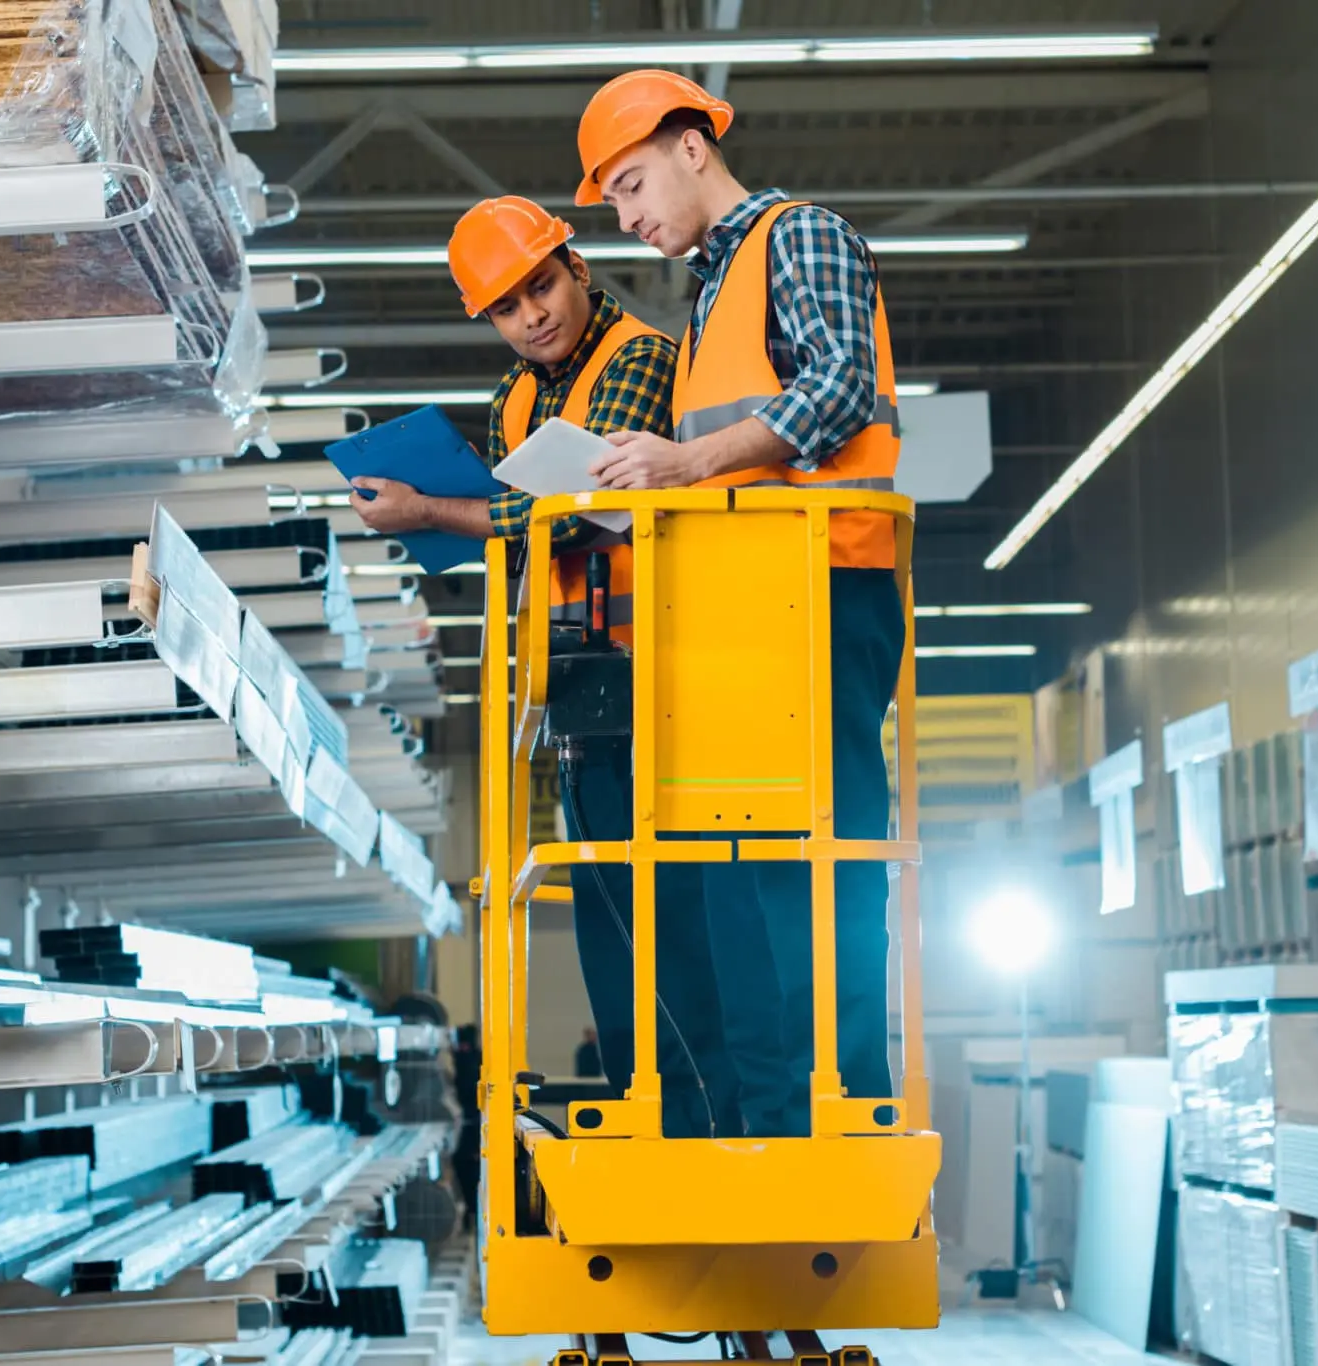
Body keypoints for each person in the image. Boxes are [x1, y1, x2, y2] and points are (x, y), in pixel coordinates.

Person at [351, 195, 740, 1139]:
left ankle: (702, 1118)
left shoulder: (636, 355)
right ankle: (639, 1105)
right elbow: (521, 528)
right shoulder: (512, 397)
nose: (534, 315)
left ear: (577, 269)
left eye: (543, 285)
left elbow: (583, 509)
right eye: (509, 306)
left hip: (652, 658)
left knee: (668, 904)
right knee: (607, 905)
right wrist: (459, 514)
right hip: (571, 667)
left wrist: (435, 514)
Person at [569, 69, 906, 1139]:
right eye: (613, 205)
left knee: (824, 859)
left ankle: (840, 1111)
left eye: (628, 188)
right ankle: (769, 1119)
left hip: (823, 585)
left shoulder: (797, 236)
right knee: (745, 866)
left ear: (690, 148)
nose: (627, 219)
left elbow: (840, 383)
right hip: (749, 602)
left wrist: (684, 462)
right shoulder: (715, 285)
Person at [450, 1023, 481, 1228]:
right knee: (466, 1171)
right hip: (468, 1124)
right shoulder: (477, 1058)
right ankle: (471, 1211)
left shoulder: (465, 1059)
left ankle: (472, 1212)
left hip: (468, 1125)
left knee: (467, 1172)